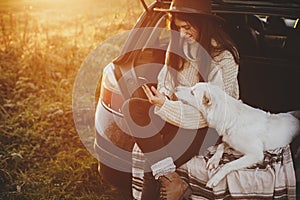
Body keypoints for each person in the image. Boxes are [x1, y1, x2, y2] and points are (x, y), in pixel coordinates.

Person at [122, 0, 239, 199]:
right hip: (176, 115)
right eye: (177, 27)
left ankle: (171, 182)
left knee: (153, 163)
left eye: (187, 27)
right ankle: (173, 180)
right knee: (132, 105)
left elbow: (214, 115)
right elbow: (166, 82)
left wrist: (166, 106)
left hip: (205, 127)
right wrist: (163, 97)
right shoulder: (177, 47)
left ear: (203, 24)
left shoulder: (223, 59)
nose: (182, 34)